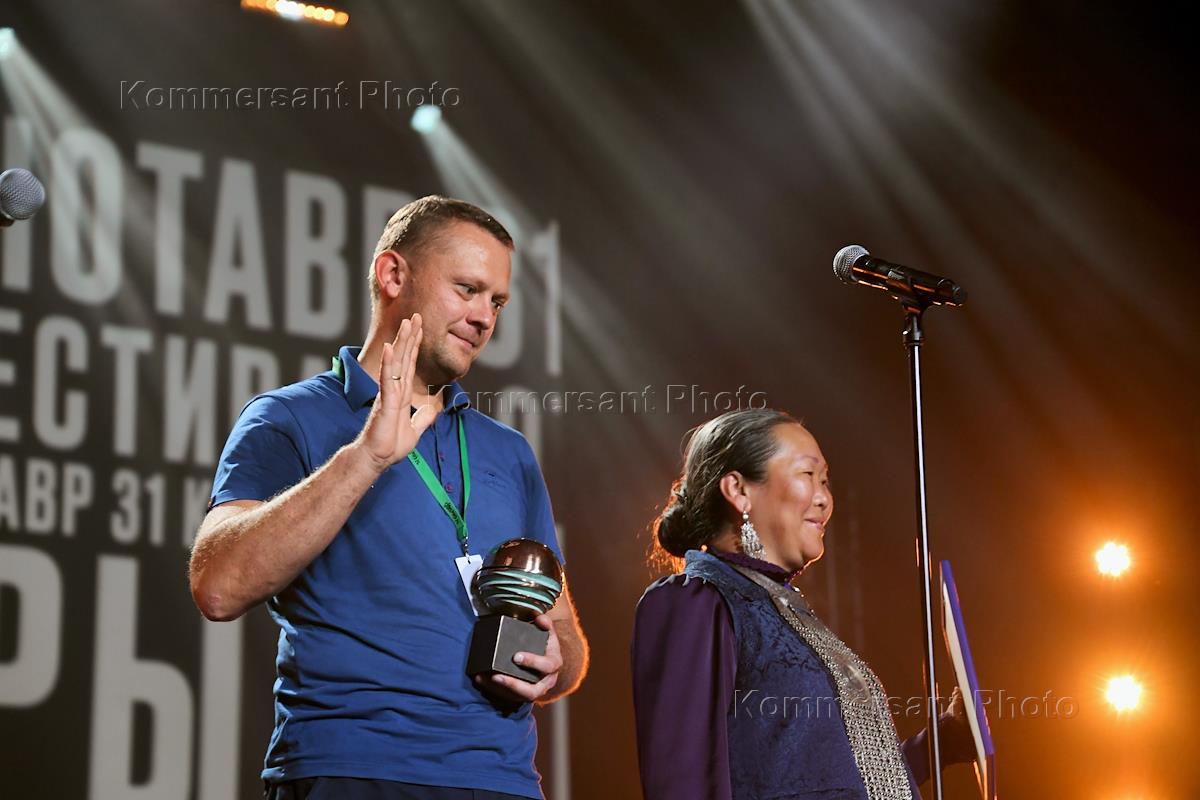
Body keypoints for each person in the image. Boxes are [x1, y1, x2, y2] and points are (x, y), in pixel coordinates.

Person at [189, 196, 589, 800]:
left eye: (497, 302)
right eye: (467, 289)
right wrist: (366, 457)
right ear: (393, 274)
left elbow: (566, 641)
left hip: (501, 781)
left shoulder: (509, 453)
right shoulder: (288, 418)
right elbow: (218, 587)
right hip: (353, 769)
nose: (484, 318)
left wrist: (556, 662)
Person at [631, 408, 971, 800]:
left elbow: (833, 782)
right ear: (739, 490)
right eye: (808, 474)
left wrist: (940, 743)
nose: (825, 498)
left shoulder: (785, 609)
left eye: (825, 481)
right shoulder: (695, 603)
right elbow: (682, 784)